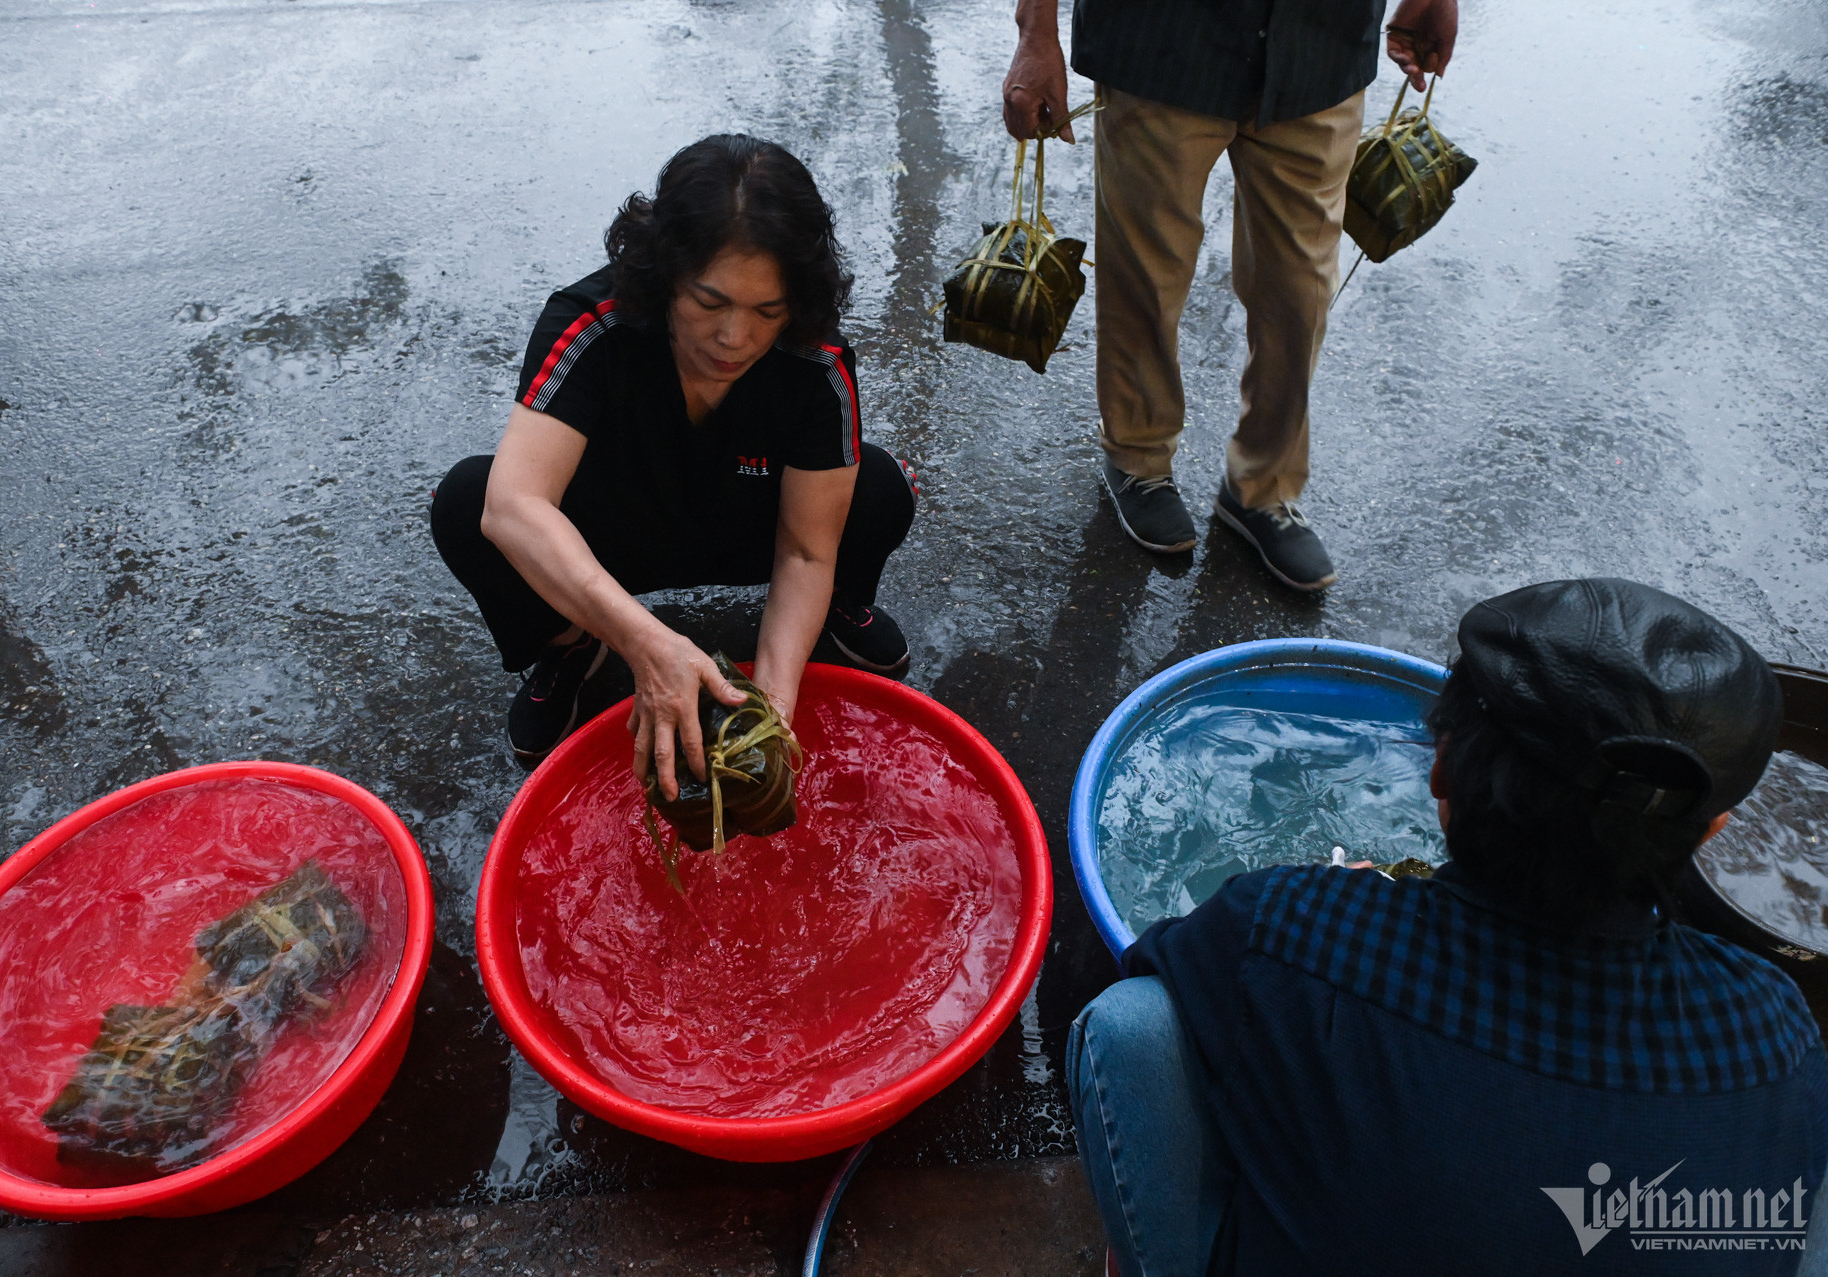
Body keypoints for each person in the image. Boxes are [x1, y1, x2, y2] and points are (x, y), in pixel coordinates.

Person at [1066, 579, 1828, 1275]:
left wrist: (1336, 909)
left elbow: (1152, 961)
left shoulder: (1290, 929)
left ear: (1440, 764)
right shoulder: (1774, 1028)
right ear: (1711, 829)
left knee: (1136, 1023)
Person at [430, 135, 915, 789]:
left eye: (766, 311)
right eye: (710, 302)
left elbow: (804, 551)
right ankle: (574, 647)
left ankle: (828, 613)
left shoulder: (815, 357)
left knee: (879, 487)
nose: (734, 336)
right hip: (615, 534)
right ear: (663, 276)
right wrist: (646, 645)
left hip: (750, 527)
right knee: (469, 500)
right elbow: (514, 504)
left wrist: (771, 709)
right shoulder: (594, 324)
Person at [1004, 0, 1459, 589]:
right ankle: (1137, 457)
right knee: (1145, 272)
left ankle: (1262, 488)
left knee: (1301, 292)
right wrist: (1035, 29)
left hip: (1321, 48)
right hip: (1161, 43)